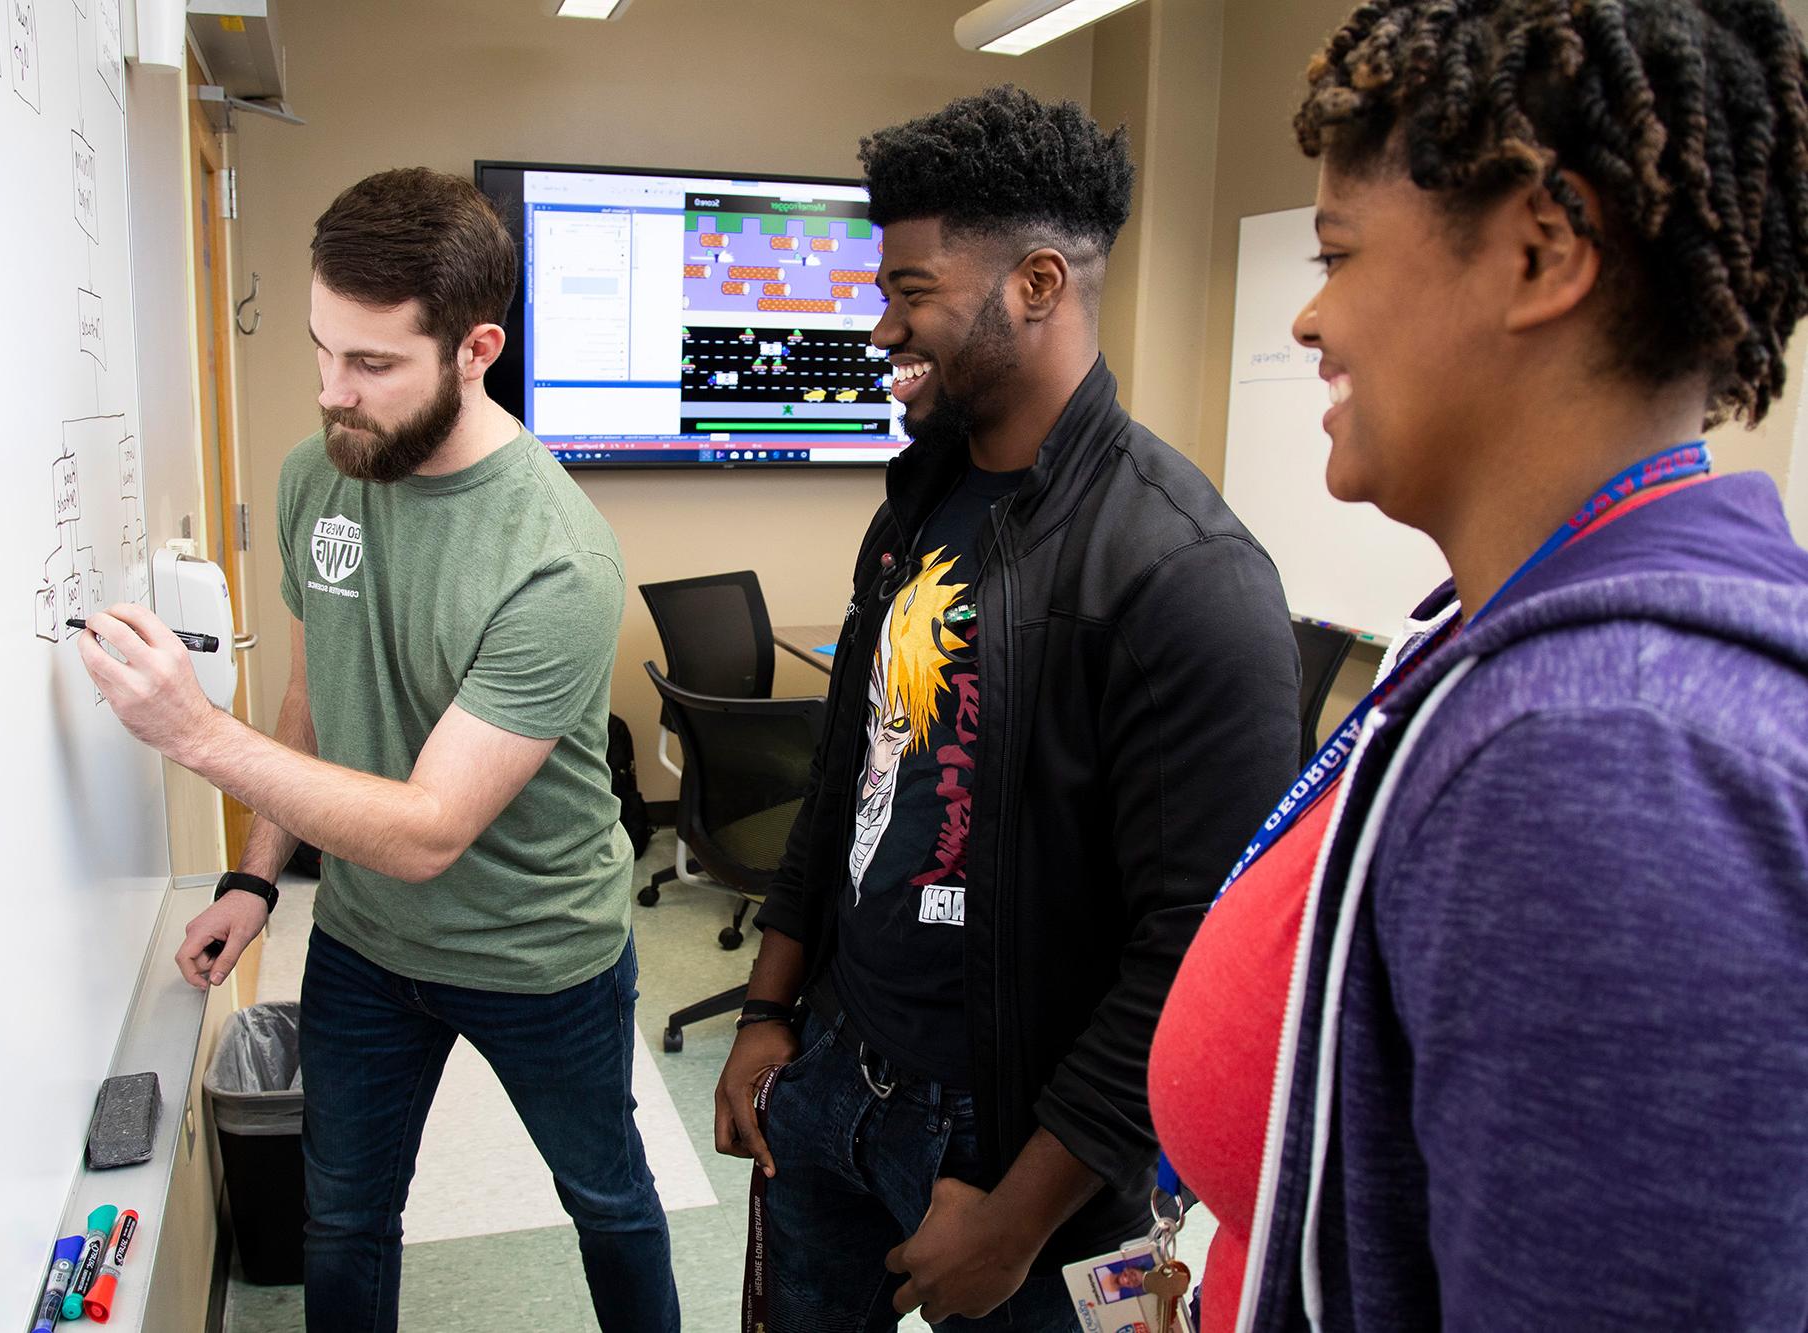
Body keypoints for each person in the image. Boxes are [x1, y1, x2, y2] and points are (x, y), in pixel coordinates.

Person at [1146, 2, 1808, 1328]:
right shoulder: (1505, 631)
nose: (1310, 318)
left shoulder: (1610, 754)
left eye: (1335, 253)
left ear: (1538, 250)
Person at [711, 88, 1302, 1331]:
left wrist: (1018, 1216)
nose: (882, 329)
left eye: (911, 291)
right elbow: (845, 779)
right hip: (832, 1078)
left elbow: (1187, 950)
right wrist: (770, 1011)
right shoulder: (916, 505)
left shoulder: (1182, 573)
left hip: (1020, 1157)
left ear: (1036, 283)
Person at [76, 167, 676, 1333]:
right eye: (320, 352)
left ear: (474, 349)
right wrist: (254, 876)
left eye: (370, 364)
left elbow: (425, 830)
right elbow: (314, 699)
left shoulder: (558, 557)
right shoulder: (323, 474)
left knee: (606, 1199)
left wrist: (192, 732)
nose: (331, 394)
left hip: (537, 952)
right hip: (362, 947)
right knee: (343, 1217)